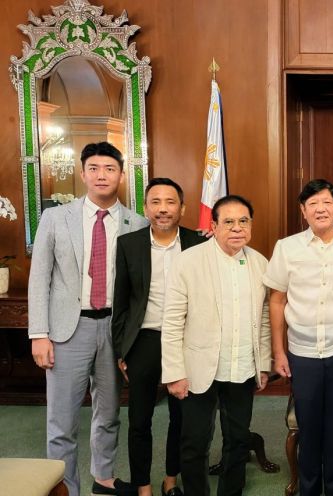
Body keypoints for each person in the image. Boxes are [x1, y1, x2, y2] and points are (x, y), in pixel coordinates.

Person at [28, 142, 148, 496]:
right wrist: (39, 333)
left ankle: (103, 476)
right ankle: (64, 487)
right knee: (62, 421)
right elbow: (40, 278)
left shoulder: (136, 223)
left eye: (109, 168)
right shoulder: (54, 218)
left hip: (115, 330)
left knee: (109, 413)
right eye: (94, 168)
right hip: (68, 330)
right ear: (83, 173)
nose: (101, 175)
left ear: (121, 175)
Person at [264, 179, 333, 496]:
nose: (320, 209)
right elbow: (277, 300)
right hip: (302, 351)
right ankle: (309, 488)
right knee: (309, 426)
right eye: (312, 204)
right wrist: (279, 352)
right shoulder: (286, 248)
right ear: (303, 211)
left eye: (327, 202)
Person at [160, 194, 271, 496]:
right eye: (229, 222)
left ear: (251, 225)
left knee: (237, 440)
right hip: (197, 370)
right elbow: (172, 323)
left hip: (243, 368)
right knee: (195, 442)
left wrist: (264, 365)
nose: (237, 228)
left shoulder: (260, 263)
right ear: (214, 225)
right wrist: (174, 372)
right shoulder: (188, 261)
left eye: (244, 221)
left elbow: (263, 321)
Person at [112, 178, 206, 496]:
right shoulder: (129, 245)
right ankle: (142, 485)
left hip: (184, 340)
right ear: (146, 207)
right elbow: (121, 302)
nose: (163, 209)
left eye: (170, 202)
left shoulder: (199, 243)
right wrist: (120, 350)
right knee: (140, 419)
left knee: (183, 416)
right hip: (145, 340)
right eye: (155, 202)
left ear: (182, 207)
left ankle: (170, 479)